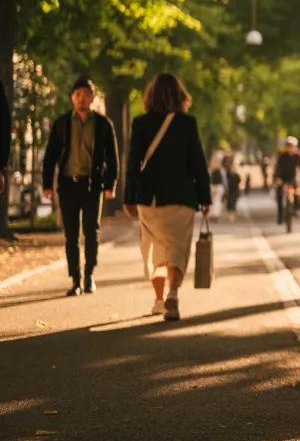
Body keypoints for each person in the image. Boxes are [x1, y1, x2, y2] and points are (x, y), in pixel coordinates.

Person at [123, 73, 211, 321]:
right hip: (181, 197)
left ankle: (159, 300)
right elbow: (197, 163)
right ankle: (173, 292)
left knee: (153, 249)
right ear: (180, 96)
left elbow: (133, 163)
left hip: (150, 198)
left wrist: (129, 196)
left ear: (150, 96)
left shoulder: (140, 124)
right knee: (177, 248)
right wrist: (205, 197)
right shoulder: (187, 124)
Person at [41, 77, 119, 296]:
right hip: (68, 184)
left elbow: (112, 157)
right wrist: (47, 184)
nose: (81, 98)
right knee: (71, 234)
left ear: (92, 97)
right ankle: (74, 279)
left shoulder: (103, 125)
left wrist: (110, 183)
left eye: (86, 94)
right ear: (72, 98)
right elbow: (51, 155)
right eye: (77, 94)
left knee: (91, 232)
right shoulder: (63, 123)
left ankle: (89, 275)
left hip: (92, 185)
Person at [273, 137, 300, 224]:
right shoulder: (281, 156)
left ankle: (297, 208)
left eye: (292, 146)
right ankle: (280, 216)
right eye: (288, 146)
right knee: (279, 194)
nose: (290, 148)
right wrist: (277, 178)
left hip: (293, 178)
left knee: (296, 192)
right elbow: (276, 168)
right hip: (282, 178)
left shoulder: (298, 156)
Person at [222, 155, 241, 222]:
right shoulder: (228, 174)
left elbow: (239, 180)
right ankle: (230, 214)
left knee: (232, 203)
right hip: (230, 190)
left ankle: (231, 215)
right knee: (230, 203)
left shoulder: (233, 174)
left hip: (233, 190)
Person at [209, 154, 227, 224]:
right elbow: (224, 179)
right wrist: (226, 188)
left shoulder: (210, 169)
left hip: (212, 186)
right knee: (217, 201)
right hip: (219, 187)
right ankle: (215, 214)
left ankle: (211, 214)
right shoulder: (221, 169)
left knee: (211, 201)